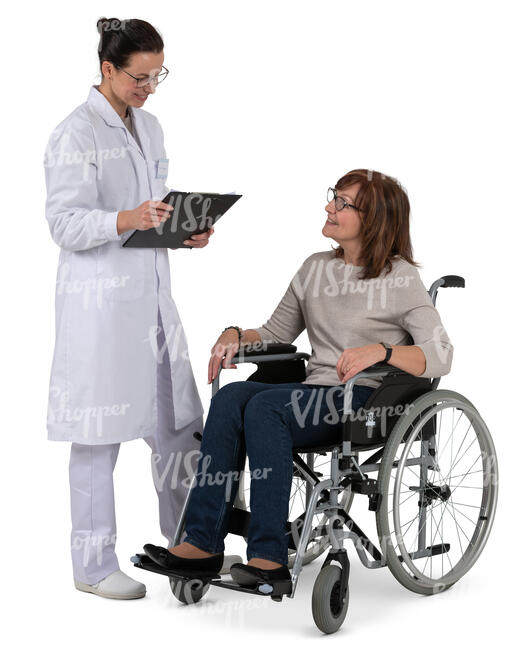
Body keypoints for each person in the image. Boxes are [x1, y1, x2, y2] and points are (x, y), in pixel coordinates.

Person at [142, 169, 454, 589]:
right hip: (313, 394)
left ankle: (269, 559)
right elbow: (275, 334)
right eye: (334, 197)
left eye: (343, 202)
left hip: (365, 400)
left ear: (375, 218)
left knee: (267, 407)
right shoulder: (315, 268)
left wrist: (380, 352)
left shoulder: (400, 278)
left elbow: (440, 354)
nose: (330, 206)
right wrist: (235, 335)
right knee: (233, 396)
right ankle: (201, 545)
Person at [44, 17, 214, 599]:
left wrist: (179, 230)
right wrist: (127, 219)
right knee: (99, 437)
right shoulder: (74, 134)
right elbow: (64, 223)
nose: (148, 87)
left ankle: (187, 544)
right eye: (139, 77)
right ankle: (92, 567)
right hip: (101, 311)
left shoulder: (152, 127)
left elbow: (154, 209)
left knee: (180, 427)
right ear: (108, 69)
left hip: (154, 304)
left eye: (157, 76)